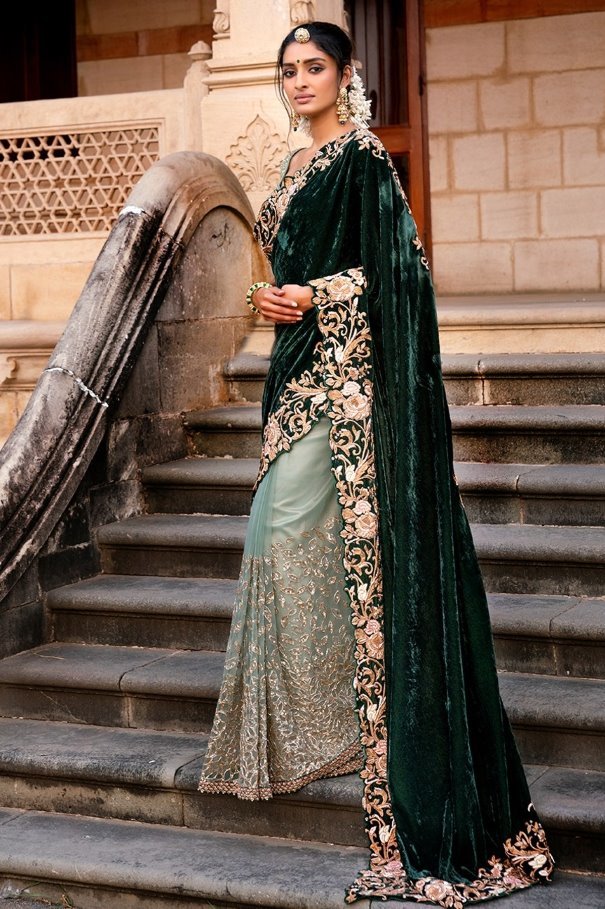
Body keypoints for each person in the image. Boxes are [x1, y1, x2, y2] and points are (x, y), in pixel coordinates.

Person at [198, 20, 554, 906]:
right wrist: (267, 296)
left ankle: (383, 728)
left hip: (354, 394)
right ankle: (335, 720)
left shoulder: (361, 161)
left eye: (313, 67)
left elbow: (402, 275)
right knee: (277, 535)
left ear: (345, 73)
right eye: (287, 71)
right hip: (297, 377)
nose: (298, 82)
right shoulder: (288, 168)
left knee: (302, 527)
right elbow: (278, 266)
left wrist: (313, 293)